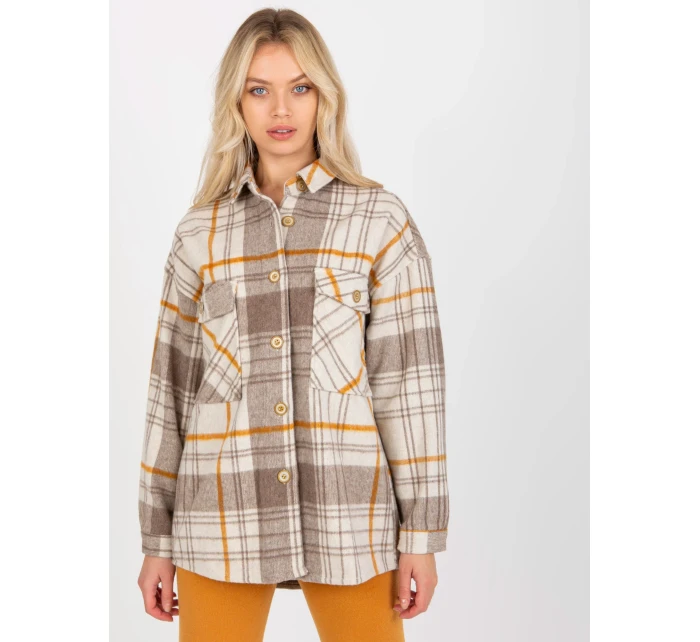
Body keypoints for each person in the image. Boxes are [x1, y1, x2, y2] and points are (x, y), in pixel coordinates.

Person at [136, 8, 450, 641]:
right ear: (236, 102)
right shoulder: (199, 234)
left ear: (324, 96)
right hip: (219, 517)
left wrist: (421, 533)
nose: (281, 109)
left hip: (347, 515)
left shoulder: (379, 221)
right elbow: (170, 394)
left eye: (299, 87)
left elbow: (409, 387)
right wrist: (156, 539)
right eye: (260, 89)